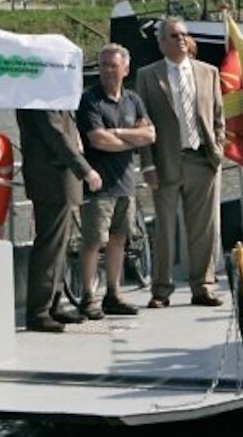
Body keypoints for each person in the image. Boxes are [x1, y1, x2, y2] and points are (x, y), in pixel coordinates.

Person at [136, 17, 227, 308]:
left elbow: (218, 117)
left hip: (202, 160)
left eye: (184, 35)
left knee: (203, 228)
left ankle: (203, 286)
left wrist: (218, 151)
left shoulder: (208, 72)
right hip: (165, 162)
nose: (181, 40)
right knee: (164, 230)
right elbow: (143, 123)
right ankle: (161, 291)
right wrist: (147, 165)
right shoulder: (148, 76)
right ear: (161, 42)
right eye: (174, 36)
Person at [75, 44, 155, 319]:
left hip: (125, 184)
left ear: (126, 68)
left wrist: (118, 133)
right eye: (103, 65)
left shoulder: (133, 100)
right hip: (98, 186)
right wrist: (130, 139)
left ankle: (113, 293)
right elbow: (97, 140)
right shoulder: (90, 100)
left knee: (119, 240)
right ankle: (88, 297)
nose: (107, 70)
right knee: (93, 241)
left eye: (113, 65)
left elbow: (150, 135)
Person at [16, 108, 103, 333]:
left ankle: (53, 302)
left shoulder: (54, 91)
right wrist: (85, 170)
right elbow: (55, 134)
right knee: (50, 244)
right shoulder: (41, 95)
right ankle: (39, 312)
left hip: (59, 178)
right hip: (51, 177)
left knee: (61, 244)